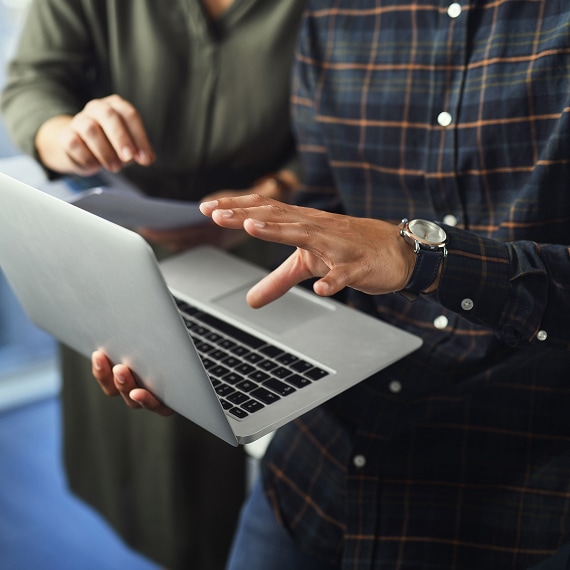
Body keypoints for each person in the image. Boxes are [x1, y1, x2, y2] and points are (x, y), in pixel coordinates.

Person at [92, 0, 570, 568]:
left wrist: (427, 259)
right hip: (314, 473)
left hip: (512, 501)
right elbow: (325, 214)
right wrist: (227, 365)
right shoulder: (336, 13)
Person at [0, 1, 306, 569]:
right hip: (119, 243)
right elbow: (30, 84)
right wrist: (67, 135)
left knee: (251, 443)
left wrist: (283, 186)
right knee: (142, 446)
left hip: (267, 246)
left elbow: (352, 124)